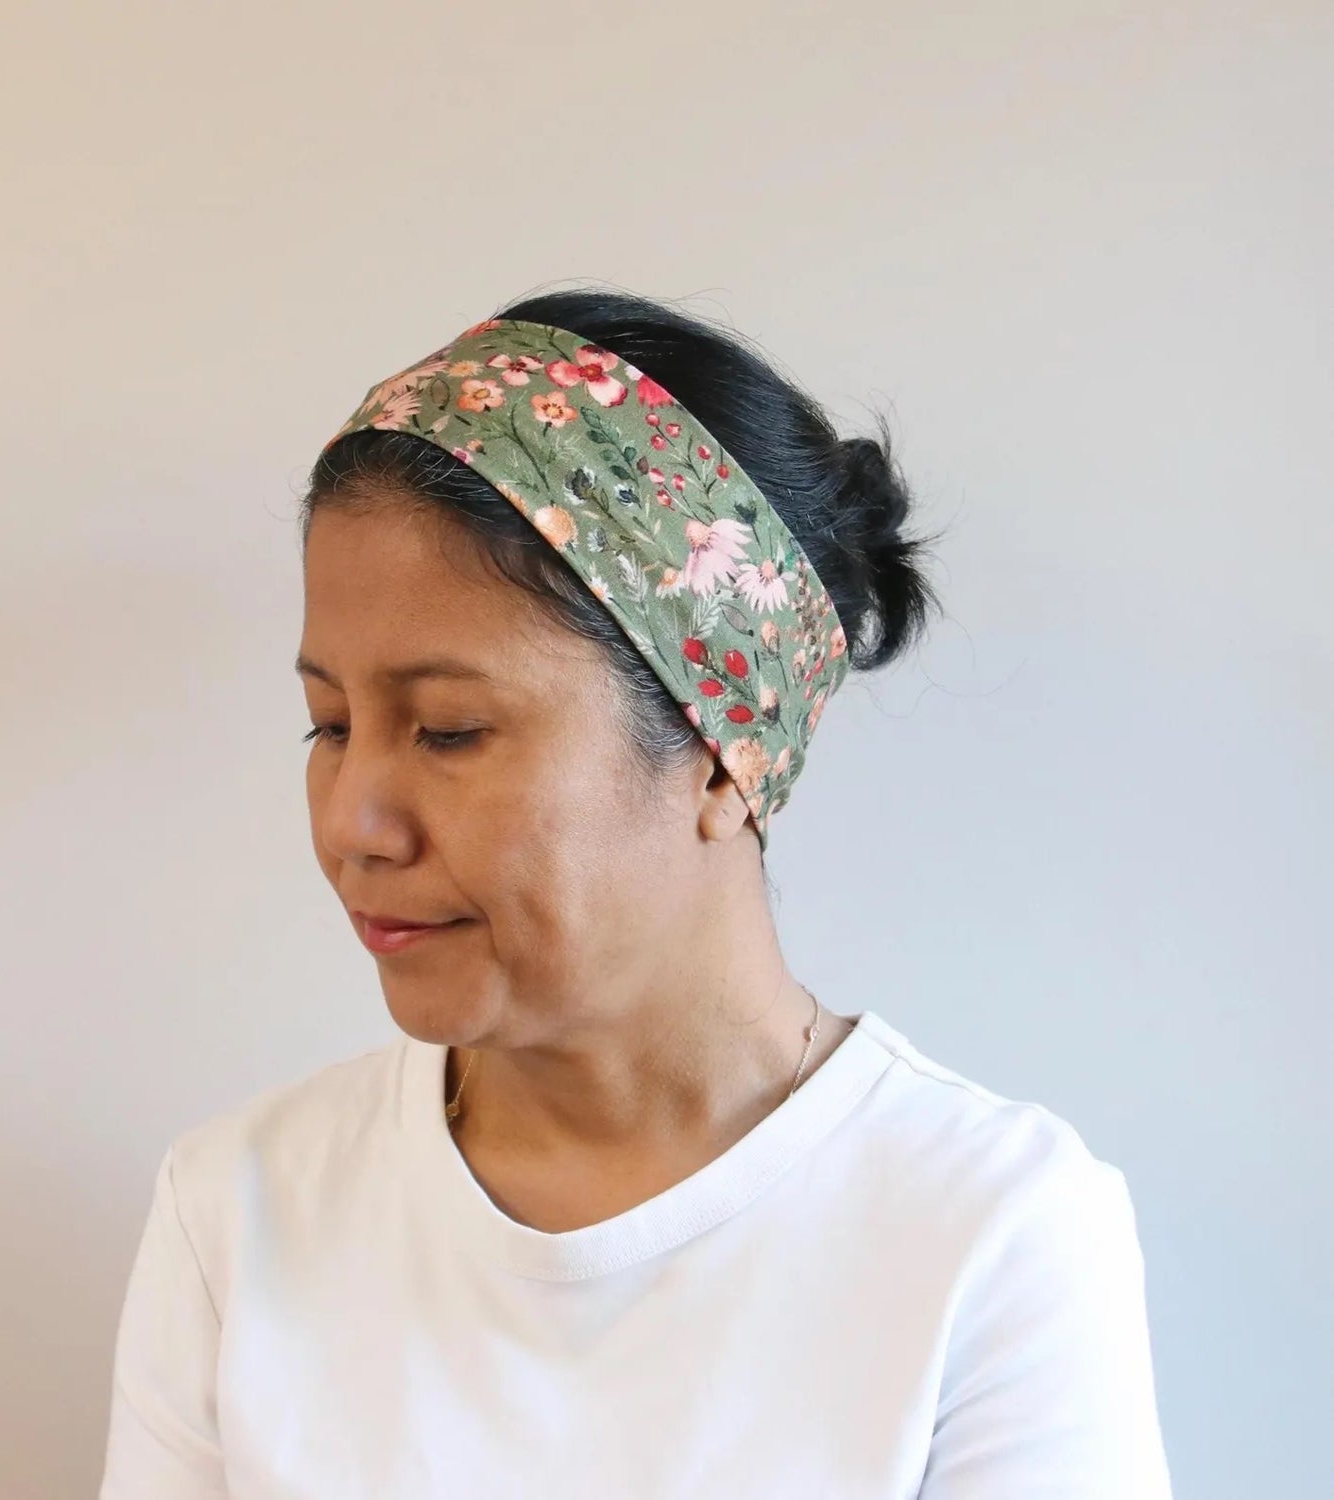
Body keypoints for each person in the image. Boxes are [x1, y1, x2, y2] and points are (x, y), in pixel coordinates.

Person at [98, 288, 1174, 1498]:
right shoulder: (239, 1215)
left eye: (449, 730)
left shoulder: (989, 1239)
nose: (352, 822)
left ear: (723, 755)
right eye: (328, 726)